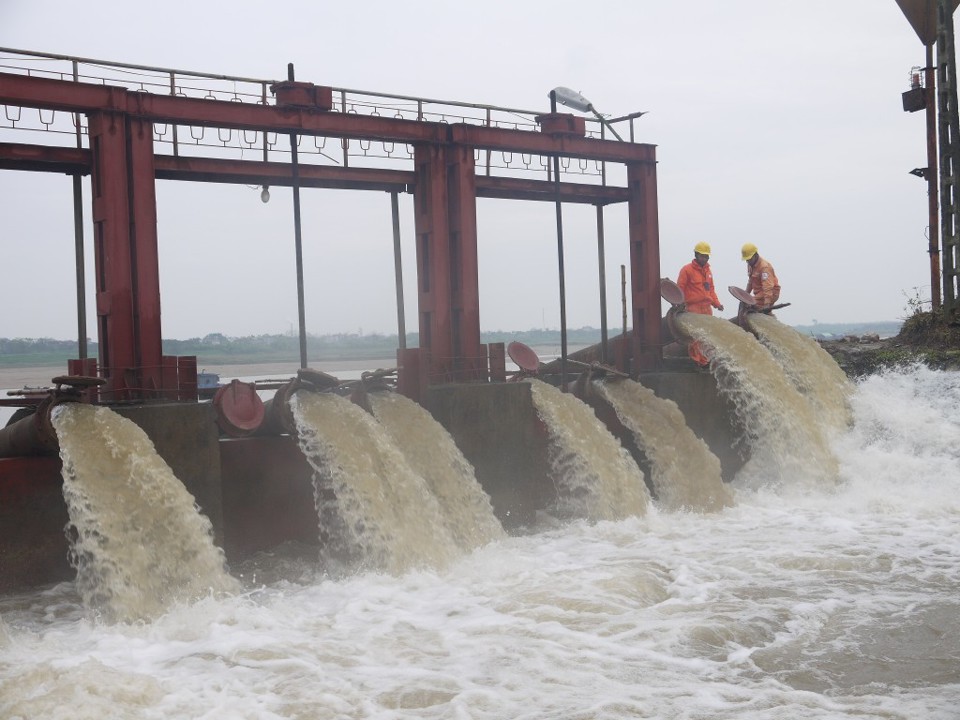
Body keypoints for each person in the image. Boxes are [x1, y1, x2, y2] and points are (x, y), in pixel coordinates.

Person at [676, 241, 723, 366]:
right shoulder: (686, 270)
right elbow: (679, 289)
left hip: (707, 309)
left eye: (706, 256)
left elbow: (711, 290)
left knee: (708, 335)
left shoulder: (708, 272)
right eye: (702, 255)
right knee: (695, 337)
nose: (705, 258)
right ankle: (698, 362)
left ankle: (707, 361)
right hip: (693, 308)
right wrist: (679, 305)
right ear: (696, 255)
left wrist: (717, 304)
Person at [740, 243, 780, 310]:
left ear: (755, 255)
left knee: (750, 304)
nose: (747, 261)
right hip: (760, 293)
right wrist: (745, 295)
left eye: (749, 259)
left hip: (771, 293)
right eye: (746, 259)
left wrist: (767, 304)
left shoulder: (764, 267)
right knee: (746, 303)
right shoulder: (750, 266)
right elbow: (750, 282)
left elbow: (768, 287)